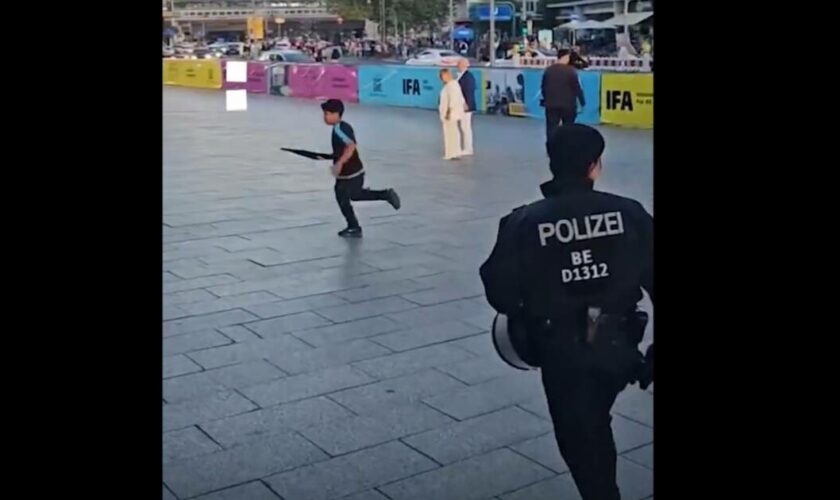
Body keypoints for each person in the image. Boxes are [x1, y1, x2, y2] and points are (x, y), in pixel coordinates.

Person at [480, 124, 654, 500]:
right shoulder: (630, 214)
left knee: (583, 442)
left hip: (562, 352)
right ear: (595, 165)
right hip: (619, 344)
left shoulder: (523, 222)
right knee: (597, 417)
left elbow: (501, 295)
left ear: (551, 164)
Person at [321, 99, 401, 238]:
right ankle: (353, 226)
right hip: (347, 173)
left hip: (351, 171)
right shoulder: (338, 127)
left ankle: (385, 195)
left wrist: (339, 163)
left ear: (337, 114)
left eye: (327, 114)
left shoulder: (340, 128)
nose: (325, 117)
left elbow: (351, 146)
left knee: (353, 195)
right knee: (345, 196)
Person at [541, 49, 586, 142]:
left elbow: (543, 87)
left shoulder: (548, 70)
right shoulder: (571, 71)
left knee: (551, 128)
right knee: (568, 128)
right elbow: (577, 88)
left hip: (551, 104)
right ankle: (566, 146)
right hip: (568, 105)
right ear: (566, 57)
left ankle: (551, 147)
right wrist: (582, 102)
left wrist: (546, 99)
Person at [438, 68, 466, 160]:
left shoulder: (452, 85)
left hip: (450, 114)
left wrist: (448, 112)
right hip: (451, 113)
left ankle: (451, 153)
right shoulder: (451, 85)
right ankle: (455, 152)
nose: (442, 78)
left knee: (450, 133)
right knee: (453, 132)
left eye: (442, 76)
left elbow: (453, 100)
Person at [456, 59, 477, 156]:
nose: (457, 65)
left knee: (466, 127)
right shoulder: (462, 76)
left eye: (459, 64)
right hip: (462, 105)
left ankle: (468, 148)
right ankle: (466, 147)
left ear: (464, 65)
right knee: (463, 127)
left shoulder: (468, 77)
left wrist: (467, 104)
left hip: (466, 106)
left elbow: (469, 91)